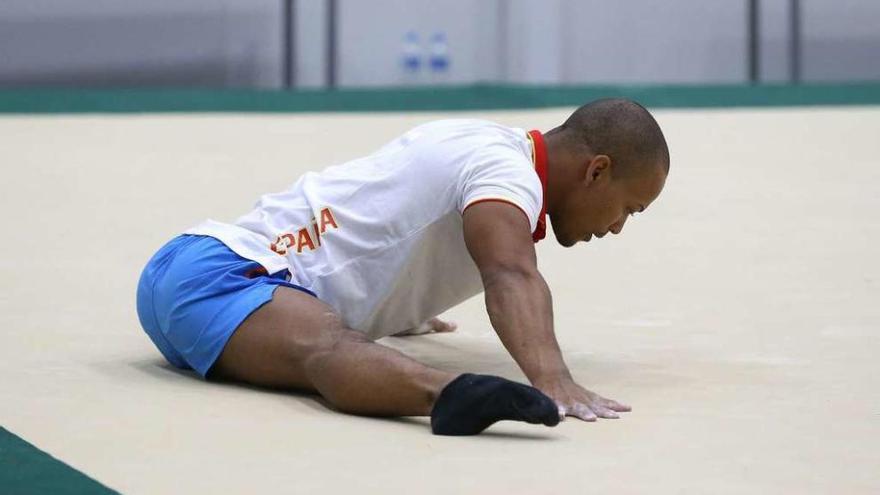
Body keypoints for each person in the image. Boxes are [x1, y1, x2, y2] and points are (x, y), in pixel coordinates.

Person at [136, 98, 669, 436]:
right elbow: (510, 273)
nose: (619, 226)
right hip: (221, 278)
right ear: (597, 170)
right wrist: (554, 380)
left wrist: (400, 306)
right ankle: (447, 394)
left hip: (193, 260)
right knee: (329, 347)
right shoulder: (506, 177)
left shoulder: (481, 140)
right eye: (630, 207)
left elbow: (377, 216)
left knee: (338, 336)